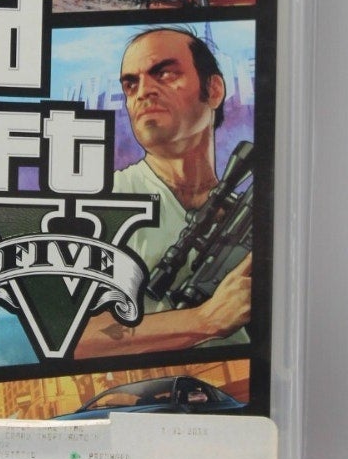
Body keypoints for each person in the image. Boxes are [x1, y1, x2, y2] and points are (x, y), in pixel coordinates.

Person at [73, 26, 252, 358]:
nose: (143, 92)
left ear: (214, 90)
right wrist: (203, 321)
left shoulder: (243, 211)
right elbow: (71, 337)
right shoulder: (106, 202)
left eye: (165, 74)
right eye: (131, 84)